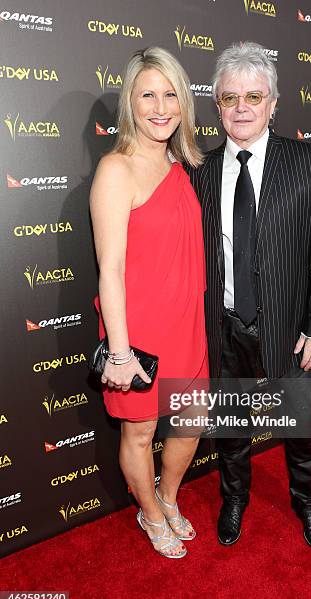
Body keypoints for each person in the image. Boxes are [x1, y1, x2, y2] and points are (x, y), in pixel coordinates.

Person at [187, 42, 311, 551]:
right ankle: (234, 499)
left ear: (274, 102)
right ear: (217, 106)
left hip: (290, 330)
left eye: (255, 95)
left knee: (300, 432)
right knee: (230, 430)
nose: (242, 107)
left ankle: (307, 505)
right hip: (225, 328)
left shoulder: (309, 163)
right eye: (230, 98)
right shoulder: (201, 171)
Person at [90, 47, 208, 559]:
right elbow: (110, 270)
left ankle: (167, 496)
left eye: (170, 95)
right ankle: (152, 514)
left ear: (183, 102)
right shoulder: (116, 170)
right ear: (130, 105)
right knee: (139, 434)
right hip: (136, 334)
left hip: (188, 326)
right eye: (148, 95)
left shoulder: (181, 166)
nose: (161, 107)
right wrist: (120, 354)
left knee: (191, 421)